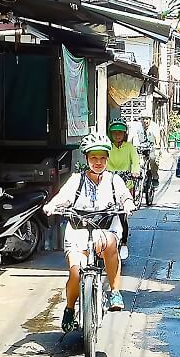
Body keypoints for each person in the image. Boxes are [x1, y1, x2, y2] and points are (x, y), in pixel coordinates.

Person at [44, 131, 136, 333]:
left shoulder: (114, 181)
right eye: (94, 158)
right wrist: (52, 205)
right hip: (78, 231)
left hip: (105, 229)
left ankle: (115, 292)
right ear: (86, 158)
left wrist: (128, 204)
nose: (98, 162)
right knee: (76, 272)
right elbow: (62, 197)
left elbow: (125, 197)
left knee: (110, 243)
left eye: (103, 158)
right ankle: (69, 308)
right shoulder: (76, 180)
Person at [106, 119, 139, 260]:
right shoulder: (107, 147)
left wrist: (135, 171)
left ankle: (124, 241)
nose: (118, 135)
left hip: (126, 183)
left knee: (122, 214)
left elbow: (136, 161)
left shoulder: (130, 147)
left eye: (120, 133)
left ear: (125, 134)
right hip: (108, 182)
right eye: (115, 133)